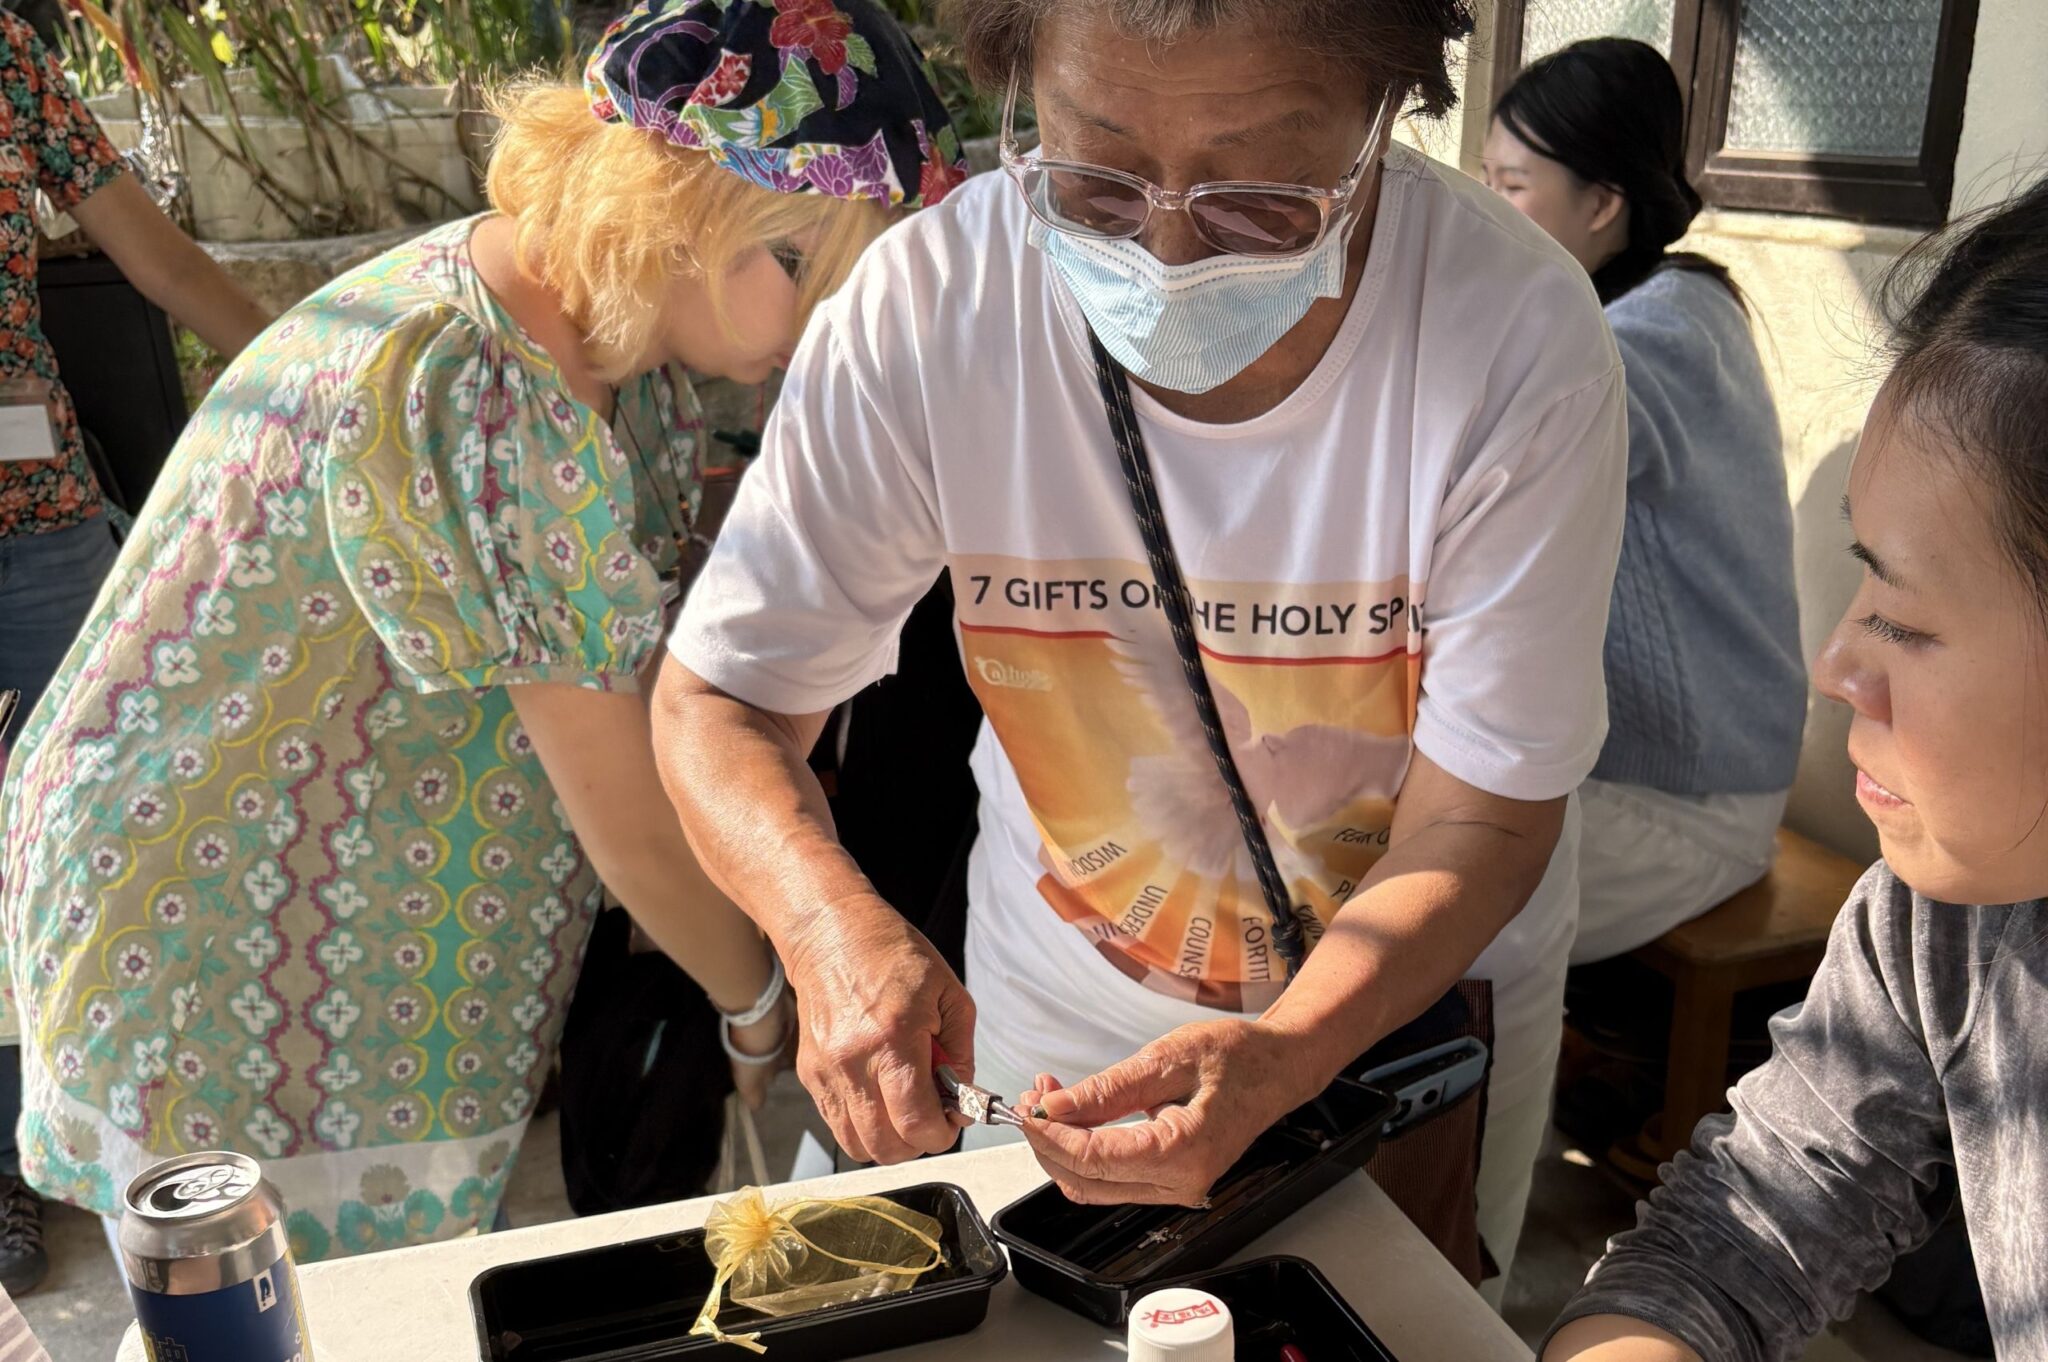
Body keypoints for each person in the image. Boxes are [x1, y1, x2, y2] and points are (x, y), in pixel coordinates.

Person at [654, 0, 1628, 1295]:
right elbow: (716, 701)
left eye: (1260, 197)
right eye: (1096, 176)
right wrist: (828, 930)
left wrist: (1287, 1049)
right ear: (1018, 97)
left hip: (1391, 1028)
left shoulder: (1513, 341)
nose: (1169, 247)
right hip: (1043, 1026)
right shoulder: (936, 306)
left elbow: (1483, 824)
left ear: (1385, 119)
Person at [0, 0, 966, 1262]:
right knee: (294, 1309)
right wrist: (762, 1001)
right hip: (231, 918)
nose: (823, 334)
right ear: (698, 222)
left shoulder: (591, 334)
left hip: (368, 881)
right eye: (820, 280)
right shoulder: (479, 386)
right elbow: (624, 813)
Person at [1544, 178, 2048, 1361]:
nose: (1834, 665)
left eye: (1907, 626)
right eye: (1858, 576)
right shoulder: (1941, 929)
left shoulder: (1639, 347)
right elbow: (1753, 1220)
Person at [0, 11, 270, 1293]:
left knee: (91, 826)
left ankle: (89, 1128)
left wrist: (330, 374)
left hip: (39, 520)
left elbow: (156, 260)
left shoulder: (4, 45)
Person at [1482, 39, 1804, 966]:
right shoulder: (1656, 310)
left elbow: (1478, 487)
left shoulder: (1652, 337)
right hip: (1633, 783)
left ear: (1600, 205)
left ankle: (1494, 1114)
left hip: (1689, 810)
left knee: (1417, 904)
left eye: (1511, 190)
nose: (1488, 215)